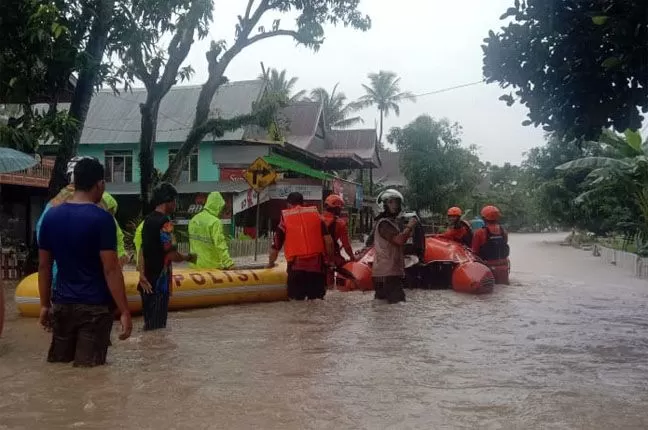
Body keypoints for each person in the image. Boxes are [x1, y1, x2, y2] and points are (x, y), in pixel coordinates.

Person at [37, 157, 132, 367]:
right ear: (100, 184)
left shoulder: (51, 216)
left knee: (60, 371)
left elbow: (44, 266)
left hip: (62, 305)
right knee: (91, 375)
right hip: (94, 309)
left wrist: (44, 305)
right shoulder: (102, 219)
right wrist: (124, 310)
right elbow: (111, 269)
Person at [139, 183, 196, 331]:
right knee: (158, 329)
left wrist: (141, 275)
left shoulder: (147, 221)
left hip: (146, 282)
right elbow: (170, 253)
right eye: (174, 201)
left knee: (149, 327)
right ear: (168, 201)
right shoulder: (165, 223)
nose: (175, 205)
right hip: (159, 284)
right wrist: (187, 257)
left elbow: (142, 250)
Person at [267, 192, 334, 300]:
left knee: (297, 304)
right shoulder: (317, 216)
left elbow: (275, 247)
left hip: (296, 269)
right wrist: (330, 261)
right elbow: (329, 242)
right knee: (317, 303)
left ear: (288, 205)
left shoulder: (285, 219)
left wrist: (270, 263)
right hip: (316, 269)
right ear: (303, 203)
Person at [372, 189, 417, 304]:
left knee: (383, 308)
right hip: (388, 274)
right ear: (383, 204)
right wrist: (410, 226)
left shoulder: (390, 223)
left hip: (385, 273)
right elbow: (399, 240)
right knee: (398, 306)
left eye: (396, 202)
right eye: (391, 202)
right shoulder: (384, 224)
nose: (395, 205)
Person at [188, 192, 234, 270]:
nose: (221, 211)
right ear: (217, 206)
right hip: (211, 267)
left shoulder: (194, 220)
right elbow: (220, 244)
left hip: (194, 266)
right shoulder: (215, 222)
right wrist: (228, 263)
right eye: (221, 208)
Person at [321, 194, 356, 288]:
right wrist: (352, 257)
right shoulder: (340, 224)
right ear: (337, 209)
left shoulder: (317, 219)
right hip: (331, 258)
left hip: (315, 258)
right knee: (331, 285)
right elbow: (346, 246)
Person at [472, 205, 510, 284]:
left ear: (484, 218)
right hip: (503, 268)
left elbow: (474, 253)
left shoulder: (479, 233)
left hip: (488, 268)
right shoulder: (503, 231)